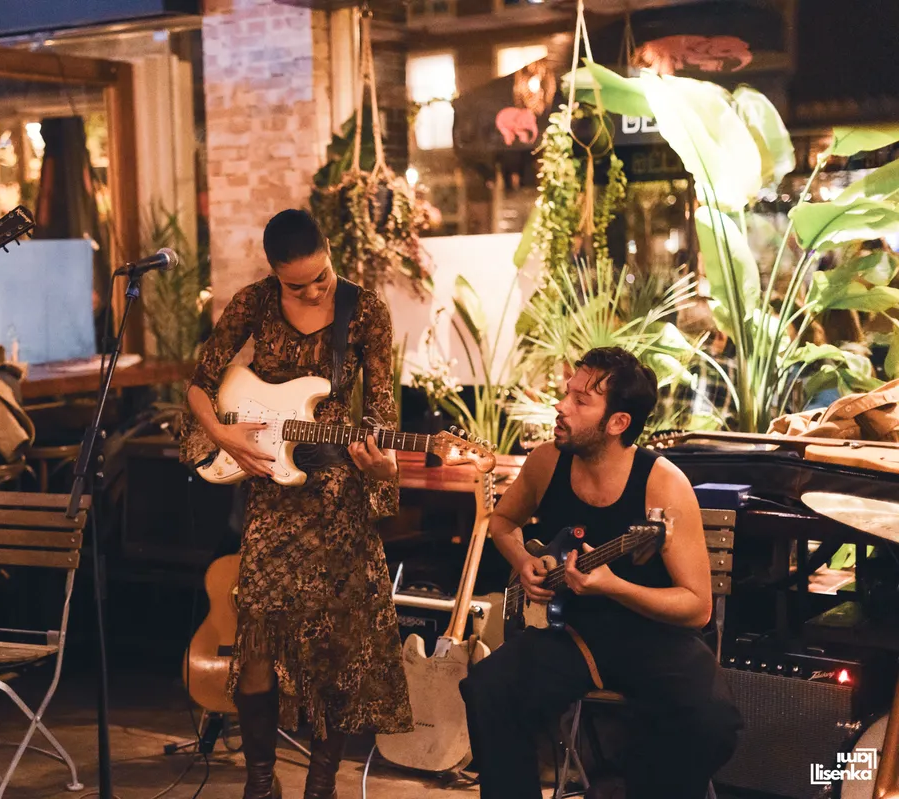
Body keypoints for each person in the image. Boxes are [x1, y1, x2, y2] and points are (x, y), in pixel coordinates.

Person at [181, 209, 413, 798]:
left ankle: (321, 784)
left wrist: (384, 466)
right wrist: (224, 435)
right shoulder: (253, 303)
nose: (312, 292)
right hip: (271, 493)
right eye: (296, 284)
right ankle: (261, 783)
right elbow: (199, 384)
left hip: (338, 500)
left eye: (321, 278)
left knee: (337, 648)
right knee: (257, 640)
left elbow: (380, 410)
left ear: (330, 251)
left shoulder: (366, 311)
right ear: (273, 273)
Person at [459, 347, 741, 799]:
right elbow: (503, 522)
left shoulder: (663, 483)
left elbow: (697, 608)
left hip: (655, 638)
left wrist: (615, 586)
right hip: (572, 632)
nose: (561, 406)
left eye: (580, 401)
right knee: (488, 688)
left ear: (618, 423)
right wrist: (524, 562)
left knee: (711, 721)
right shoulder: (547, 461)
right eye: (566, 393)